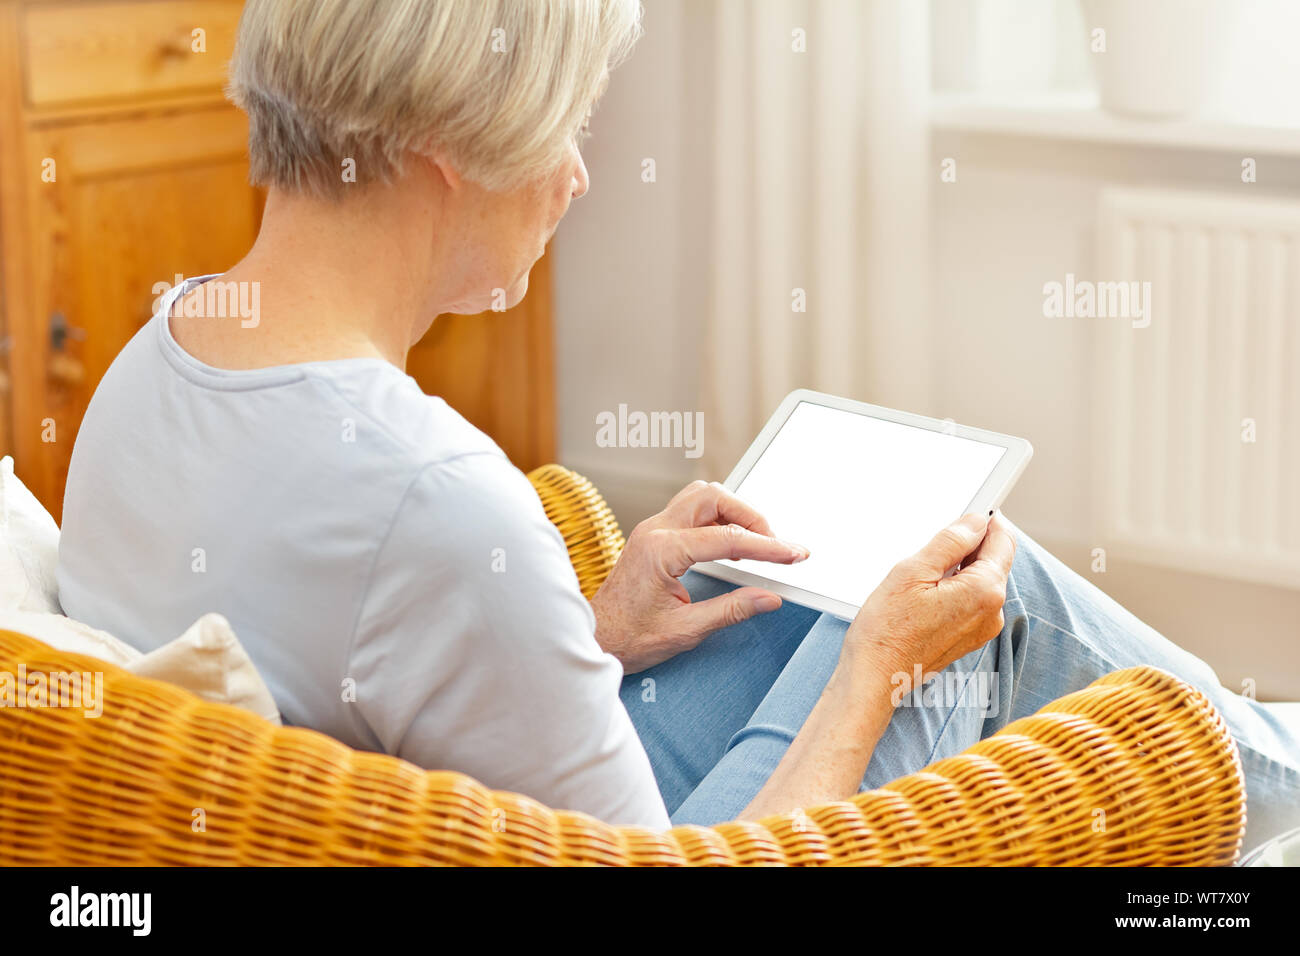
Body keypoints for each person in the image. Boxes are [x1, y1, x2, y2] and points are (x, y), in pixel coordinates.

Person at [56, 0, 1297, 849]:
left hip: (476, 815)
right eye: (569, 124)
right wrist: (884, 667)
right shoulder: (431, 495)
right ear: (445, 144)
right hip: (664, 853)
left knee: (858, 578)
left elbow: (340, 650)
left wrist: (586, 629)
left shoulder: (153, 359)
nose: (578, 177)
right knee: (975, 594)